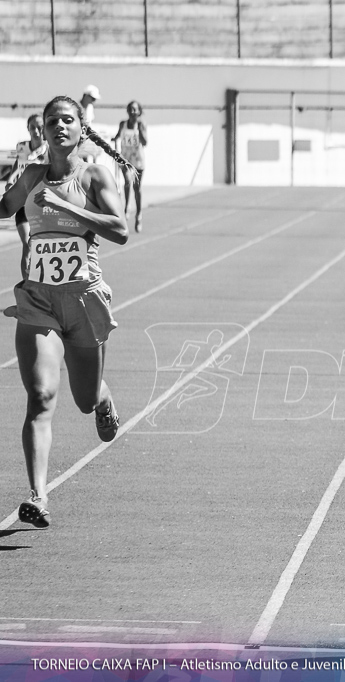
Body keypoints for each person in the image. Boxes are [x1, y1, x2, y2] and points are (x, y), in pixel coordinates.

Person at [0, 95, 135, 529]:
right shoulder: (34, 174)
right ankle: (38, 497)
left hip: (83, 300)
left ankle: (102, 397)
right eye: (52, 121)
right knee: (40, 397)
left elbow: (120, 231)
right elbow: (5, 208)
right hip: (38, 300)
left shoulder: (93, 174)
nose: (60, 126)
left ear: (81, 128)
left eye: (68, 120)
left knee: (82, 397)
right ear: (43, 129)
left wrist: (69, 208)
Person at [4, 114, 49, 280]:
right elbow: (18, 163)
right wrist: (10, 179)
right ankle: (27, 286)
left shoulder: (49, 149)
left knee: (37, 244)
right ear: (28, 129)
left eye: (39, 127)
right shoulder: (22, 147)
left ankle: (42, 281)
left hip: (41, 204)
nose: (36, 131)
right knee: (27, 244)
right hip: (23, 201)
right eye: (33, 127)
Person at [113, 100, 147, 232]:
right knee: (127, 181)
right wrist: (113, 140)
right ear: (127, 111)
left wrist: (139, 131)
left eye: (135, 110)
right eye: (131, 109)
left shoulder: (141, 124)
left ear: (139, 112)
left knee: (137, 187)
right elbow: (117, 135)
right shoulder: (123, 124)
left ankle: (138, 214)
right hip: (126, 159)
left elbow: (145, 142)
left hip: (138, 159)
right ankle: (126, 208)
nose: (133, 112)